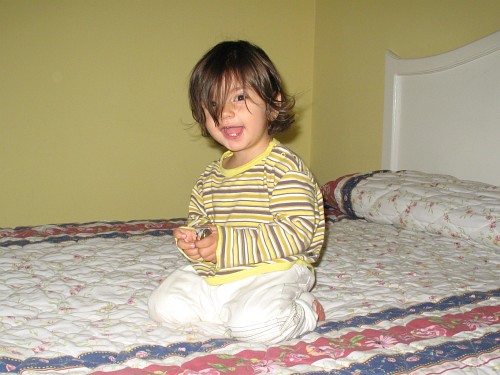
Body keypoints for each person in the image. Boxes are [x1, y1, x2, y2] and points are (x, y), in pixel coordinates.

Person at [148, 40, 325, 344]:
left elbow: (297, 234)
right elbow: (201, 224)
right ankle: (230, 314)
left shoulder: (285, 168)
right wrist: (195, 245)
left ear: (272, 105)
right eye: (213, 105)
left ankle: (306, 310)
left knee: (259, 325)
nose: (225, 113)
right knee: (163, 305)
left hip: (276, 269)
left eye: (239, 97)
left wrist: (226, 244)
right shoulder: (208, 178)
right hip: (222, 272)